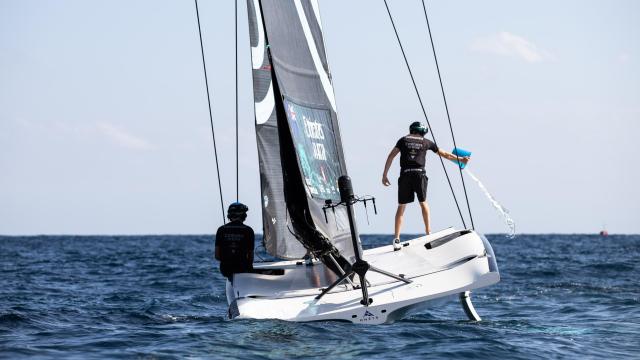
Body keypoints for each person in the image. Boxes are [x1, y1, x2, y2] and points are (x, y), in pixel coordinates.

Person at [381, 121, 469, 250]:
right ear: (422, 132)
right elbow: (444, 154)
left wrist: (384, 175)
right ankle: (428, 233)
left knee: (401, 206)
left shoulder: (402, 140)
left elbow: (391, 156)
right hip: (419, 174)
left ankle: (397, 239)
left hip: (405, 174)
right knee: (423, 202)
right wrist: (461, 159)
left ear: (411, 130)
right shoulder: (426, 142)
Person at [214, 202, 255, 281]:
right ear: (244, 216)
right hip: (243, 269)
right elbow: (250, 258)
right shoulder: (248, 230)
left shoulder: (221, 230)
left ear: (229, 215)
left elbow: (217, 256)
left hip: (225, 270)